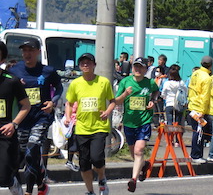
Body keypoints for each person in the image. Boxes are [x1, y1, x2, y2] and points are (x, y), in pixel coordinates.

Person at [9, 37, 63, 195]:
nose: (27, 54)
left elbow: (59, 87)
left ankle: (28, 191)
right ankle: (41, 185)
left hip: (41, 117)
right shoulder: (15, 70)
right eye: (24, 51)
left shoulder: (48, 71)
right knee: (27, 155)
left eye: (31, 50)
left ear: (38, 52)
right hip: (22, 118)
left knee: (32, 149)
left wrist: (53, 102)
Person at [64, 53, 116, 195]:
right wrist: (68, 117)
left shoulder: (103, 82)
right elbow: (69, 103)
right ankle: (90, 191)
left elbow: (113, 101)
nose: (85, 65)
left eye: (88, 62)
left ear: (94, 65)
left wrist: (107, 112)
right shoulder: (75, 83)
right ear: (79, 66)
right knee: (84, 163)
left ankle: (101, 177)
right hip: (81, 128)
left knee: (97, 158)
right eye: (82, 63)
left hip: (99, 127)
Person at [115, 57, 159, 193]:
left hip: (144, 122)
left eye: (141, 67)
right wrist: (125, 94)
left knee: (139, 150)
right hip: (129, 122)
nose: (138, 69)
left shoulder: (149, 83)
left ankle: (133, 179)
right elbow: (117, 101)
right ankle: (144, 165)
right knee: (134, 153)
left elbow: (156, 92)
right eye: (136, 67)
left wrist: (152, 100)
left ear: (146, 69)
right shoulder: (125, 82)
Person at [0, 40, 30, 195]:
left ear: (2, 59)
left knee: (3, 177)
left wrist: (14, 124)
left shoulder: (11, 81)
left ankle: (13, 182)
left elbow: (26, 105)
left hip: (5, 133)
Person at [187, 55, 213, 164]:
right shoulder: (207, 78)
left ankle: (195, 154)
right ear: (211, 66)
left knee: (196, 132)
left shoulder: (195, 73)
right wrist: (202, 111)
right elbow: (205, 96)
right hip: (199, 108)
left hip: (192, 105)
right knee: (199, 133)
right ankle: (196, 155)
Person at [160, 65, 186, 146]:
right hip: (178, 104)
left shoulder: (167, 83)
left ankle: (169, 140)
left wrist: (165, 97)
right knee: (178, 123)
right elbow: (186, 91)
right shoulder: (181, 83)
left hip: (169, 103)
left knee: (169, 122)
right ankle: (178, 141)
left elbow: (163, 93)